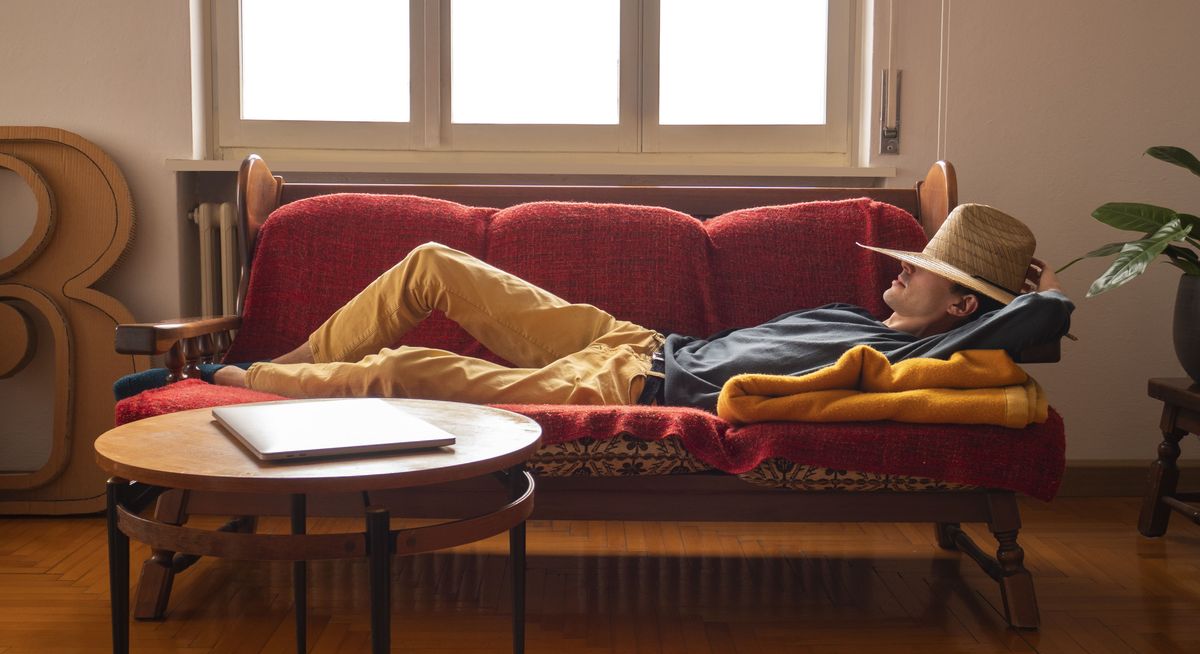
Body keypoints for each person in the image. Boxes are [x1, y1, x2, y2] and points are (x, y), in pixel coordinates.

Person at [211, 203, 1074, 412]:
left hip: (637, 391)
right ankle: (276, 378)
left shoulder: (904, 363)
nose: (899, 268)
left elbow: (1036, 322)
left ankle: (243, 390)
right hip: (637, 341)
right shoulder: (862, 324)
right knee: (435, 262)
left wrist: (1010, 293)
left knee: (402, 370)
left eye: (919, 267)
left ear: (962, 301)